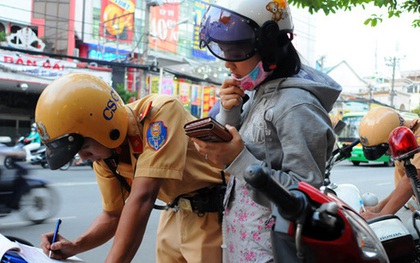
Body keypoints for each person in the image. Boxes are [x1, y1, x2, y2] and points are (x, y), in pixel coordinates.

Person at [195, 0, 342, 261]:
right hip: (244, 243)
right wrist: (231, 110)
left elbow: (305, 198)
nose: (228, 65)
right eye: (224, 51)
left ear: (269, 47)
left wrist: (237, 160)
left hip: (274, 250)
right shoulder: (258, 94)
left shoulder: (296, 105)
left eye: (236, 52)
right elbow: (246, 144)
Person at [35, 73, 227, 262]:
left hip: (211, 214)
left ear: (104, 127)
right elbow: (112, 215)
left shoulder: (161, 112)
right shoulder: (106, 156)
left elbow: (143, 197)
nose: (84, 157)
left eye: (84, 147)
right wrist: (76, 246)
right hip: (173, 213)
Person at [359, 107, 420, 220]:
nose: (388, 154)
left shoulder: (417, 135)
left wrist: (382, 215)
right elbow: (405, 182)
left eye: (387, 150)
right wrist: (377, 208)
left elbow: (413, 177)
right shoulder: (401, 141)